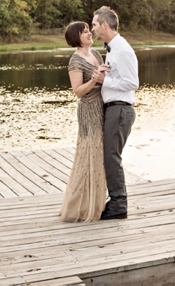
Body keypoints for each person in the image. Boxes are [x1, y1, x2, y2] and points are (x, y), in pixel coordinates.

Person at [90, 6, 138, 220]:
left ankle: (119, 204)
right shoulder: (112, 48)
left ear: (104, 25)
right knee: (109, 156)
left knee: (111, 157)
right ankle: (116, 200)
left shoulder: (123, 49)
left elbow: (132, 83)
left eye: (94, 24)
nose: (92, 29)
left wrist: (104, 80)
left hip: (120, 109)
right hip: (113, 109)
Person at [59, 21, 107, 223]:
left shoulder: (96, 54)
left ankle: (97, 203)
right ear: (75, 37)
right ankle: (79, 208)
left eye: (89, 30)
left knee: (101, 155)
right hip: (89, 109)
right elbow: (77, 92)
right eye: (84, 31)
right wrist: (94, 80)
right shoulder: (75, 61)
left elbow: (104, 77)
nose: (89, 33)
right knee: (89, 153)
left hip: (103, 105)